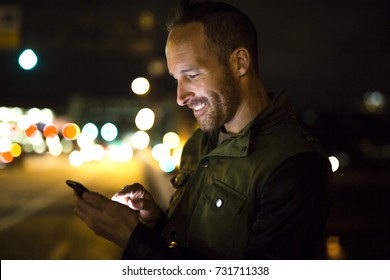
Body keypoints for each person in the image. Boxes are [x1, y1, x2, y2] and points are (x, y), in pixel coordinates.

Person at [73, 0, 333, 259]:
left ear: (239, 62)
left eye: (192, 75)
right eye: (176, 79)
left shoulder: (296, 165)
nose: (180, 96)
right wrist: (155, 223)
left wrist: (134, 240)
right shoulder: (199, 143)